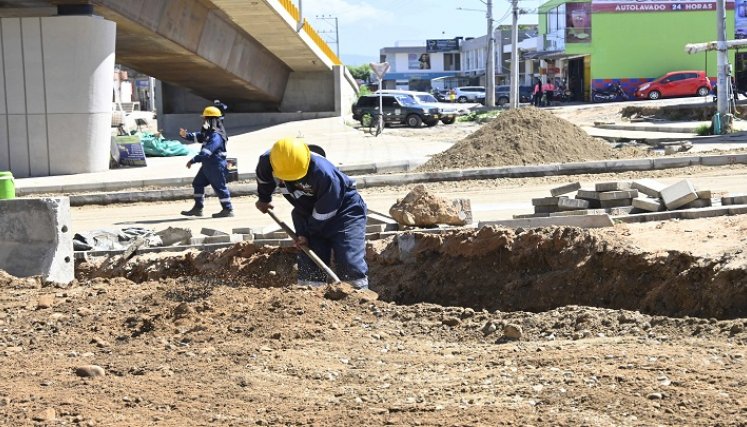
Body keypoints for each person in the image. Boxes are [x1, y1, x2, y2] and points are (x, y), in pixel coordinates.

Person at [255, 137, 369, 289]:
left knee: (349, 259)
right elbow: (264, 181)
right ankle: (311, 298)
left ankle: (358, 296)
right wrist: (264, 199)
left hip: (344, 211)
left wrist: (307, 234)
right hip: (305, 212)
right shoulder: (268, 161)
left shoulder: (325, 174)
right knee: (310, 261)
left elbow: (325, 212)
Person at [179, 106, 234, 218]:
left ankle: (228, 209)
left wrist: (193, 160)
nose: (203, 121)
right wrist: (185, 135)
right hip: (208, 165)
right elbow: (199, 136)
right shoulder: (209, 133)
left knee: (219, 187)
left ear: (211, 120)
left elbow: (206, 152)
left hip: (215, 165)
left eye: (205, 119)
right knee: (198, 183)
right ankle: (198, 208)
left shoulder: (216, 136)